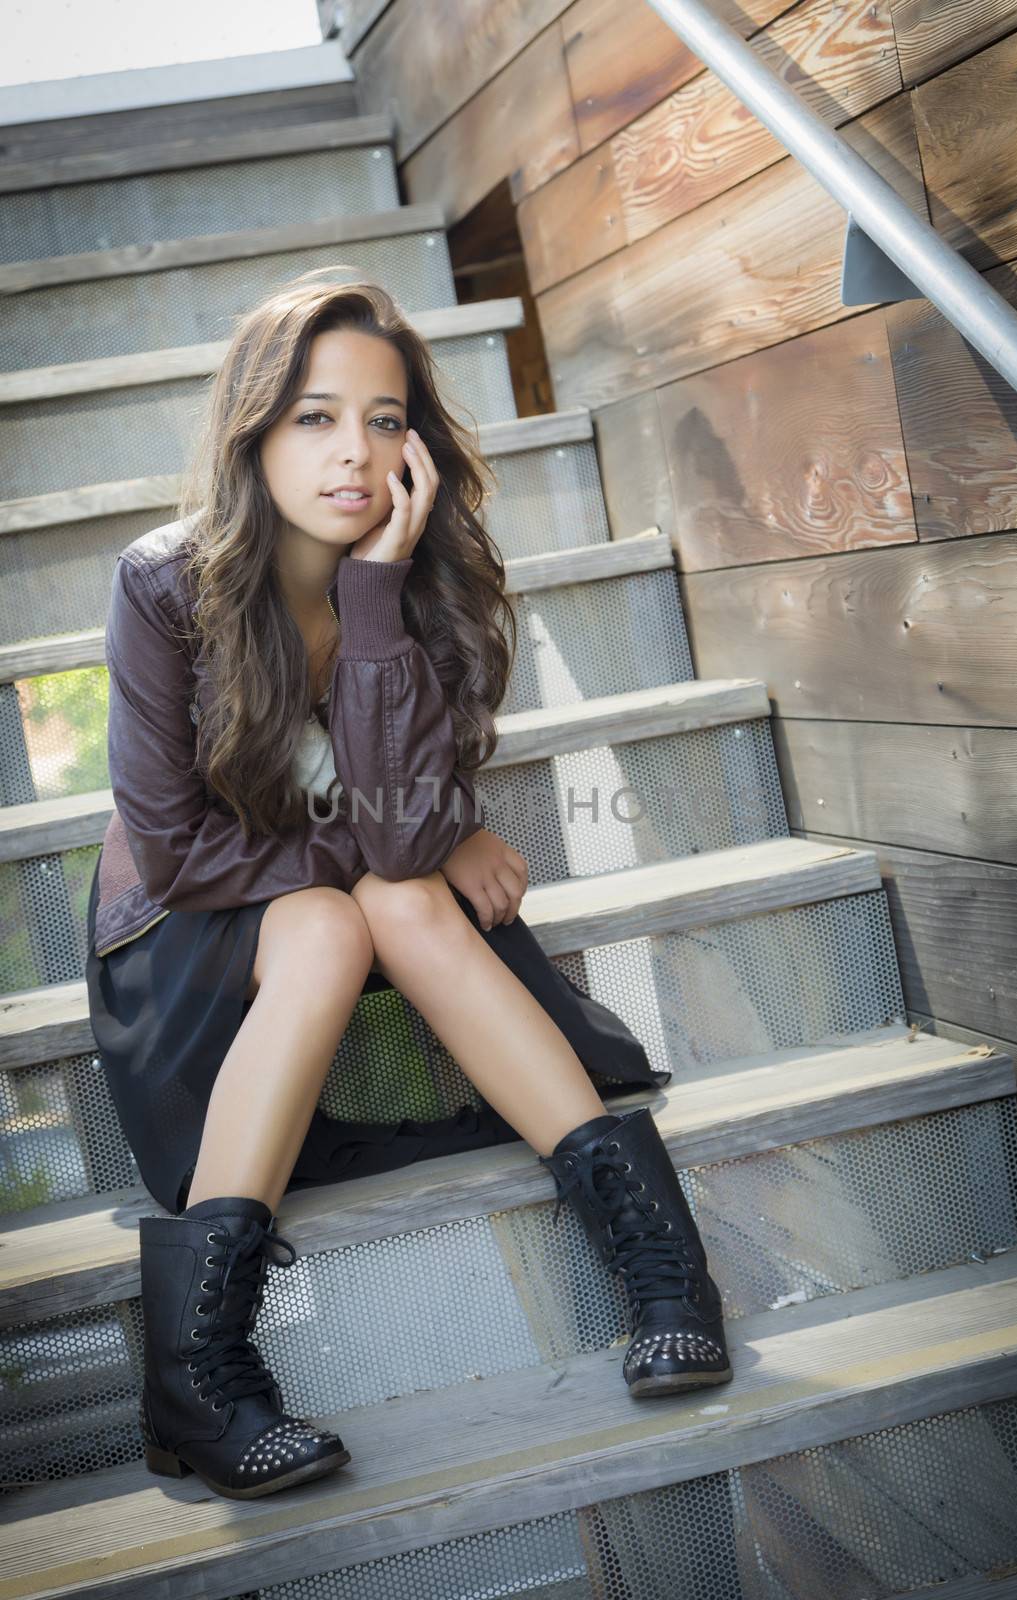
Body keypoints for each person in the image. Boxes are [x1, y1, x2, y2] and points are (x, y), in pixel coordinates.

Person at [84, 270, 732, 1502]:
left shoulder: (417, 583)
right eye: (315, 417)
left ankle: (662, 1271)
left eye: (385, 421)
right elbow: (175, 850)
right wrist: (428, 843)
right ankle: (199, 1376)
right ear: (254, 431)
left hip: (375, 912)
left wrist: (373, 600)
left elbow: (400, 844)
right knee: (345, 913)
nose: (355, 453)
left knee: (385, 902)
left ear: (417, 445)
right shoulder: (162, 585)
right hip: (189, 950)